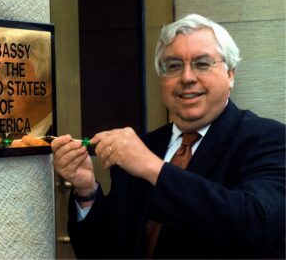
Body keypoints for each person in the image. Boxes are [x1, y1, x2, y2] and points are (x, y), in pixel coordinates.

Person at [51, 14, 285, 259]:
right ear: (161, 80)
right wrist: (86, 191)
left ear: (230, 75)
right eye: (173, 66)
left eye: (202, 64)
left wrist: (152, 167)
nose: (186, 78)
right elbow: (102, 251)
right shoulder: (142, 146)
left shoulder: (270, 139)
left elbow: (254, 225)